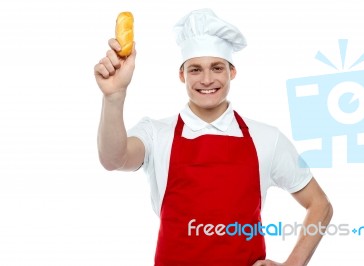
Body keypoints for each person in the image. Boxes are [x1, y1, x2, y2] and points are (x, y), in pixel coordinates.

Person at [94, 8, 333, 266]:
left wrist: (293, 263)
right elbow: (113, 159)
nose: (207, 79)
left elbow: (320, 205)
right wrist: (114, 97)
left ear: (232, 72)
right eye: (195, 69)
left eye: (216, 68)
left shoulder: (266, 138)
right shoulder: (156, 133)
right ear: (181, 75)